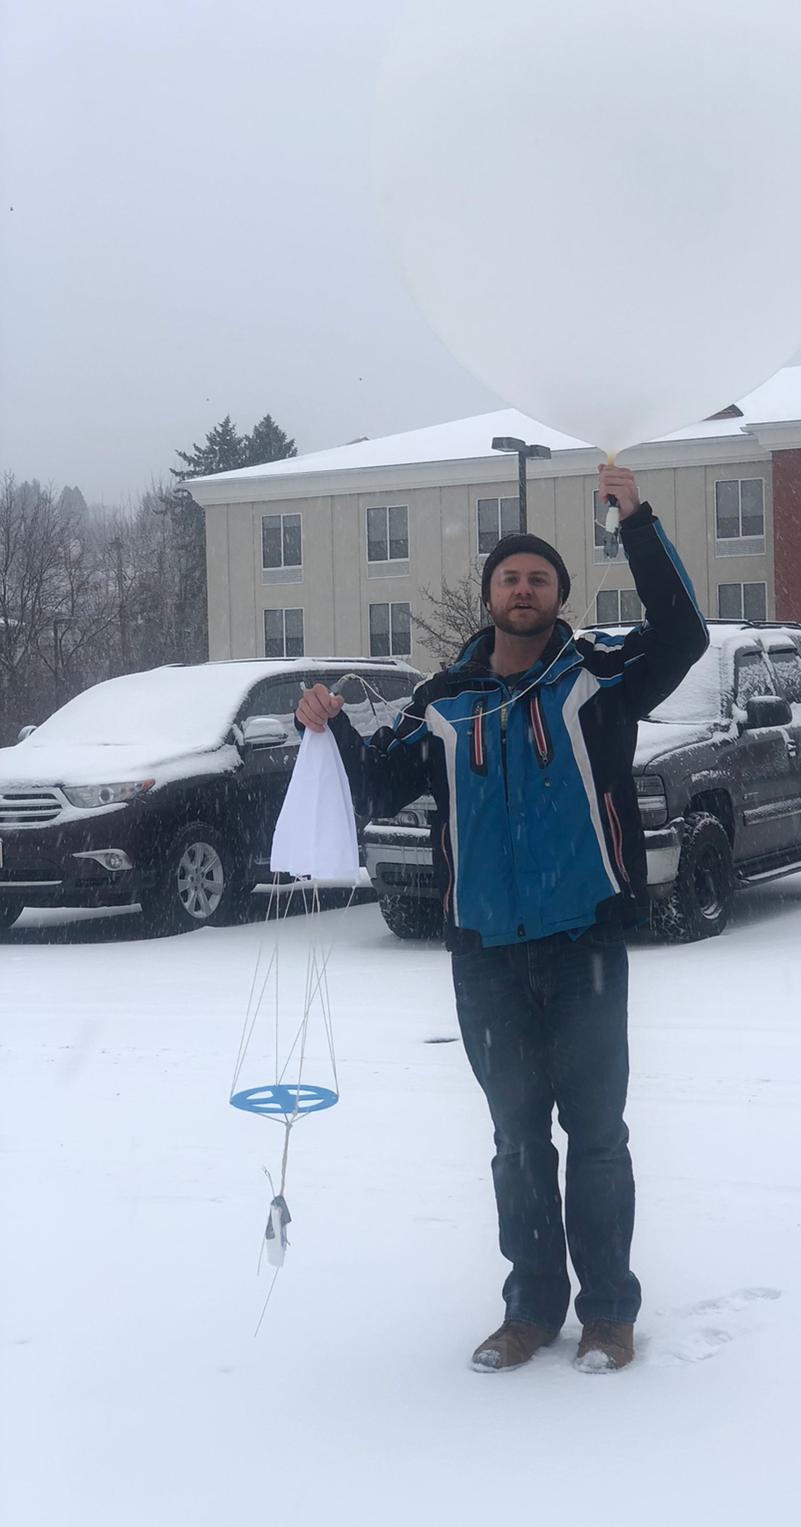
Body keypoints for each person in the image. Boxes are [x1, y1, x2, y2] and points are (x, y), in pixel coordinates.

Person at [297, 464, 707, 1373]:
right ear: (489, 597)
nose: (524, 590)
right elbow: (381, 780)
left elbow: (684, 631)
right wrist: (325, 725)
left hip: (584, 939)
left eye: (540, 579)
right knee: (518, 1141)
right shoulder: (444, 700)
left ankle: (607, 1313)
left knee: (596, 1137)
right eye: (510, 578)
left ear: (559, 596)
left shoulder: (600, 677)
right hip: (483, 953)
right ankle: (530, 1311)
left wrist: (633, 518)